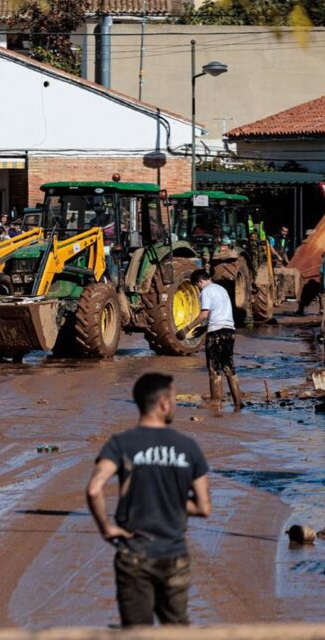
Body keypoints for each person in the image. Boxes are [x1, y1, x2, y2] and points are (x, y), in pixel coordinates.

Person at [85, 372, 211, 627]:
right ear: (164, 403)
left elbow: (94, 489)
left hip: (133, 556)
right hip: (174, 555)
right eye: (174, 399)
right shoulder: (188, 447)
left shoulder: (121, 443)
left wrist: (106, 527)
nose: (174, 404)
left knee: (136, 633)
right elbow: (203, 507)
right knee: (176, 631)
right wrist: (174, 500)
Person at [191, 268, 242, 411]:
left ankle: (215, 401)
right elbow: (219, 313)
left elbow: (204, 314)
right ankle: (238, 402)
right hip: (230, 331)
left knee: (214, 368)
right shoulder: (221, 289)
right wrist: (203, 328)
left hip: (216, 333)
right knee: (229, 367)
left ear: (200, 282)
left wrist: (188, 328)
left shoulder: (206, 291)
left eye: (197, 285)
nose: (198, 288)